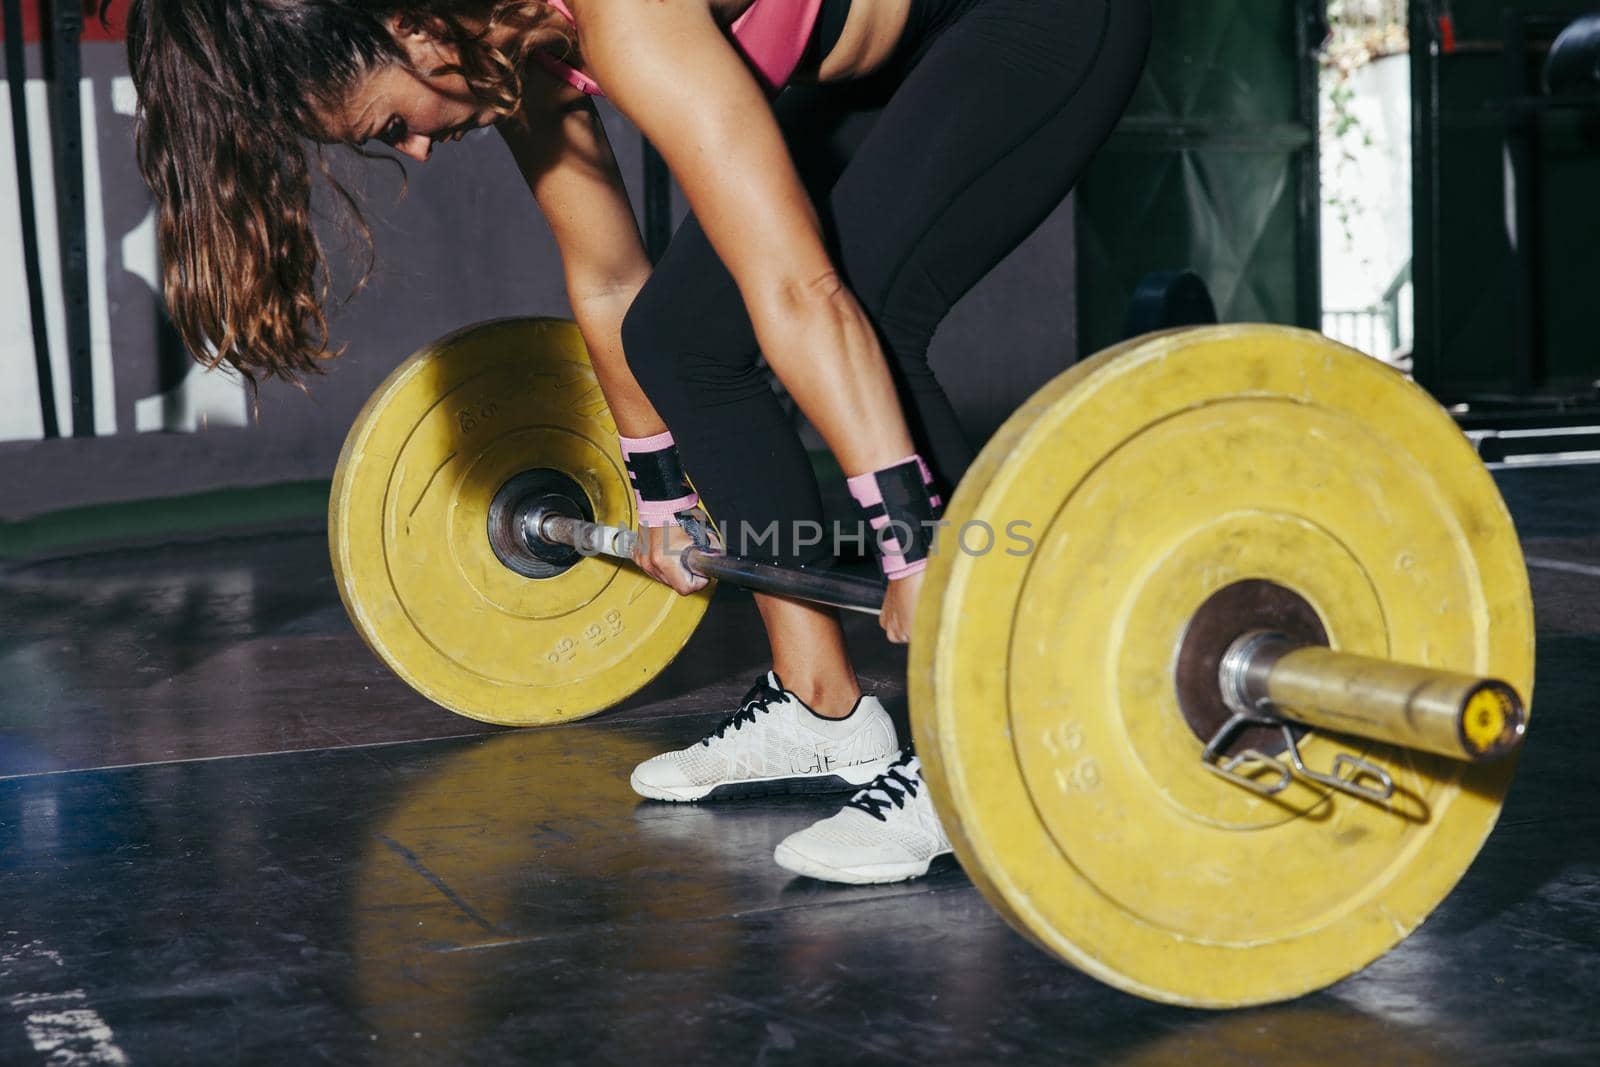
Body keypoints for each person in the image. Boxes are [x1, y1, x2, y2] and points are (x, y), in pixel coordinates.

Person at [120, 0, 1152, 884]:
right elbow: (611, 276)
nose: (421, 149)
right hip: (895, 60)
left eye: (393, 123)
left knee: (867, 313)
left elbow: (802, 292)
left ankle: (990, 732)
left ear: (410, 26)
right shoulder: (504, 40)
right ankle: (824, 705)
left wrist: (914, 545)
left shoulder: (623, 16)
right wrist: (660, 498)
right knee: (681, 336)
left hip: (1033, 22)